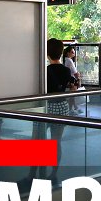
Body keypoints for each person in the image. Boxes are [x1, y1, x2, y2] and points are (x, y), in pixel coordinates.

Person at [26, 38, 79, 182]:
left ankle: (32, 175)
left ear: (46, 53)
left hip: (45, 107)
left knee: (37, 143)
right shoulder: (66, 70)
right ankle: (53, 174)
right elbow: (73, 87)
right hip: (61, 107)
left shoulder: (44, 70)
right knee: (56, 142)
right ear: (61, 52)